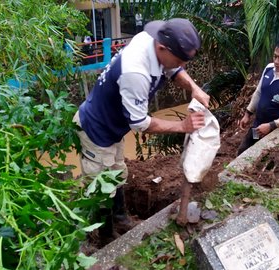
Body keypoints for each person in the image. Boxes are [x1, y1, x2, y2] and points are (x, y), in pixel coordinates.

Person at [73, 18, 209, 241]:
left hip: (113, 129)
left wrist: (194, 88)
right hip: (95, 131)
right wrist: (182, 126)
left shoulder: (153, 42)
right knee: (100, 187)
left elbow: (173, 70)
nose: (182, 66)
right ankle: (104, 236)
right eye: (179, 59)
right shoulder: (136, 72)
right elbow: (140, 123)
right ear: (162, 48)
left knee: (116, 173)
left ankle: (120, 218)